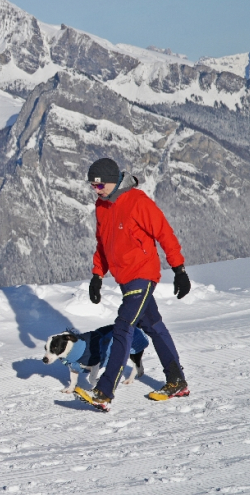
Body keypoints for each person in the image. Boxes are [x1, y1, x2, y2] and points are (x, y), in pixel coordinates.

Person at [76, 158, 192, 411]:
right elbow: (103, 243)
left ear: (114, 180)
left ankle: (104, 392)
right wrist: (97, 275)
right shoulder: (102, 205)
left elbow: (165, 233)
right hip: (124, 279)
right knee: (153, 326)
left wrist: (179, 269)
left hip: (142, 273)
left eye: (99, 185)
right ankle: (177, 381)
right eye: (92, 186)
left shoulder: (138, 202)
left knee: (123, 327)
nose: (96, 190)